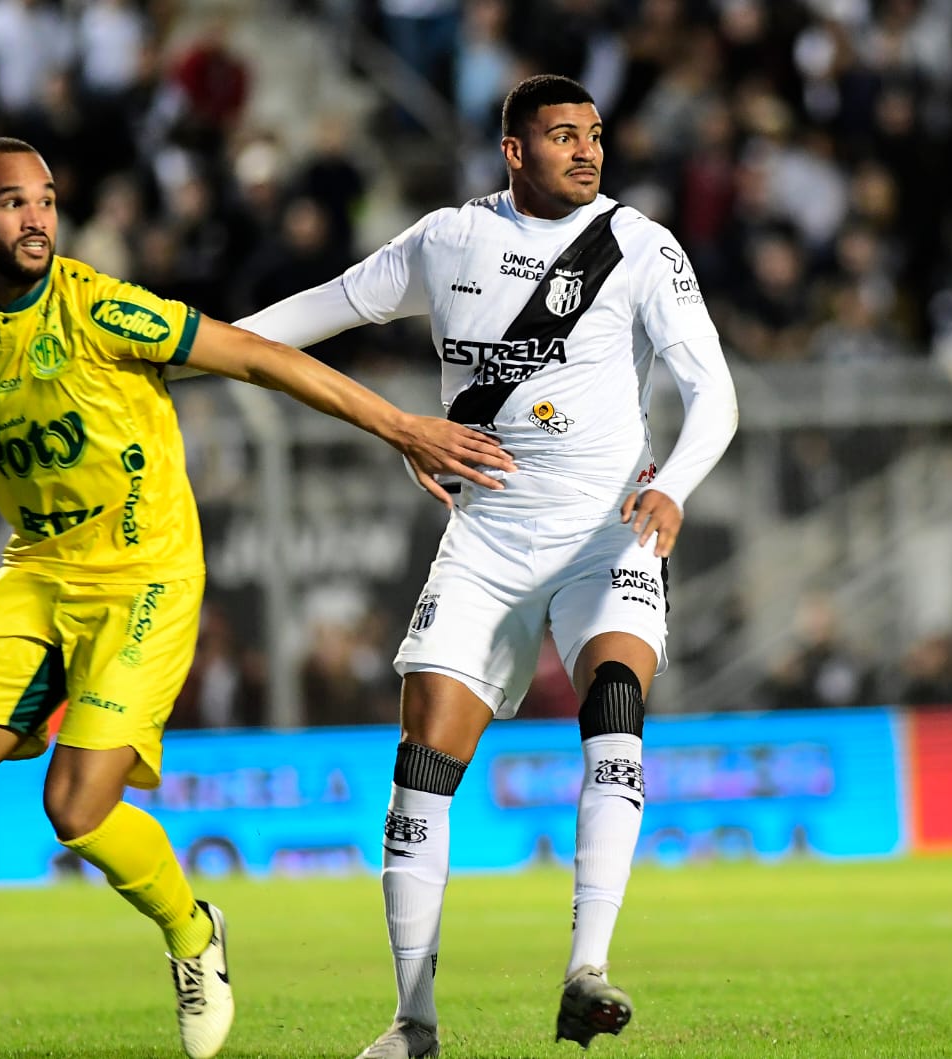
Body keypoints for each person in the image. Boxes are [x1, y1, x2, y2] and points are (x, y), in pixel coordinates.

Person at [0, 136, 512, 1059]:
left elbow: (253, 357)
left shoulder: (100, 307)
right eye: (14, 203)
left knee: (75, 805)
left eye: (48, 199)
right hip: (36, 573)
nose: (39, 217)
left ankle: (193, 930)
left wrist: (400, 425)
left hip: (145, 579)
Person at [220, 75, 738, 1056]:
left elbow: (711, 388)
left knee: (614, 704)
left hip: (607, 529)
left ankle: (587, 969)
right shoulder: (447, 241)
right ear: (512, 150)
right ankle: (413, 1026)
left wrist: (672, 483)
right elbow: (329, 307)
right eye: (560, 137)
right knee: (423, 767)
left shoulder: (637, 245)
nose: (586, 152)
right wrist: (196, 346)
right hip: (490, 538)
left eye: (592, 136)